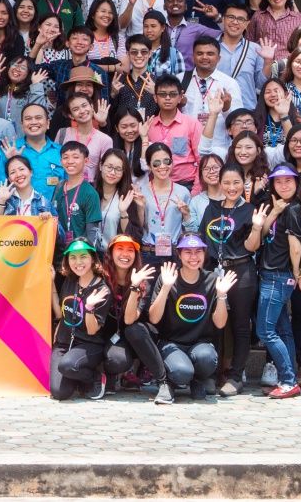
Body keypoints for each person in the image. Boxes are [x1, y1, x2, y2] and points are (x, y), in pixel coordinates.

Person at [144, 235, 238, 401]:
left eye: (198, 251)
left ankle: (197, 380)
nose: (193, 257)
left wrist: (222, 295)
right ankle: (169, 381)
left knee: (207, 359)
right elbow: (154, 318)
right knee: (182, 372)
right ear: (179, 255)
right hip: (171, 344)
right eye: (188, 252)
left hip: (200, 345)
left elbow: (220, 323)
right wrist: (166, 288)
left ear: (204, 254)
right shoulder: (168, 277)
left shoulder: (212, 280)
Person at [199, 164, 262, 396]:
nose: (231, 187)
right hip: (215, 271)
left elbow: (251, 247)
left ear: (243, 183)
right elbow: (204, 240)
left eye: (236, 182)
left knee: (240, 326)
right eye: (226, 182)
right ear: (219, 183)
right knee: (214, 324)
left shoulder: (249, 210)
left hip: (242, 270)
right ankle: (211, 374)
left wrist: (256, 228)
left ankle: (236, 376)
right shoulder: (211, 209)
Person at [255, 165, 301, 399]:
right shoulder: (281, 207)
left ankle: (287, 380)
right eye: (278, 181)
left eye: (288, 181)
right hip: (271, 274)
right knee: (283, 330)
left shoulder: (295, 209)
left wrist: (296, 272)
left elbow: (295, 245)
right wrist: (274, 212)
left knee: (265, 330)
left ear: (296, 183)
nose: (283, 185)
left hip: (278, 275)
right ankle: (290, 378)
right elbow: (264, 233)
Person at [107, 235, 171, 403]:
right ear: (111, 252)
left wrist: (135, 287)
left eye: (130, 250)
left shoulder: (143, 281)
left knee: (133, 329)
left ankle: (163, 382)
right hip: (114, 336)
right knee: (116, 360)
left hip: (140, 337)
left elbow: (129, 320)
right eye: (119, 249)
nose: (125, 254)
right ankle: (111, 376)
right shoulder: (103, 278)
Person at [50, 238, 114, 401]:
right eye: (73, 257)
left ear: (92, 258)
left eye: (83, 256)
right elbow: (60, 313)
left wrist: (90, 308)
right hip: (64, 343)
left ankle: (94, 377)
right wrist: (51, 284)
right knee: (59, 392)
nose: (78, 262)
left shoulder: (102, 289)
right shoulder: (69, 281)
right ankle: (78, 379)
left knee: (67, 366)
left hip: (88, 344)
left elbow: (93, 330)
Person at [136, 142, 191, 267]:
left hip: (175, 253)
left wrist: (187, 215)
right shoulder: (141, 191)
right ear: (149, 166)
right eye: (156, 163)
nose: (162, 166)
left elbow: (190, 229)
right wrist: (140, 207)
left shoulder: (183, 192)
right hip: (148, 253)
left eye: (167, 161)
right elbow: (138, 227)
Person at [147, 75, 201, 187]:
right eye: (162, 94)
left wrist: (196, 189)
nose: (167, 98)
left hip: (186, 184)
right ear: (155, 98)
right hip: (157, 186)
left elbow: (202, 160)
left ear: (180, 97)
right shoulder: (149, 126)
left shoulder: (191, 124)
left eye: (172, 94)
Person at [54, 142, 103, 250]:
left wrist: (87, 256)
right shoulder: (59, 187)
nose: (70, 161)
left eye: (76, 157)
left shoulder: (90, 193)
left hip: (79, 254)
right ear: (61, 161)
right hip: (58, 254)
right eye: (65, 157)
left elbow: (92, 233)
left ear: (86, 160)